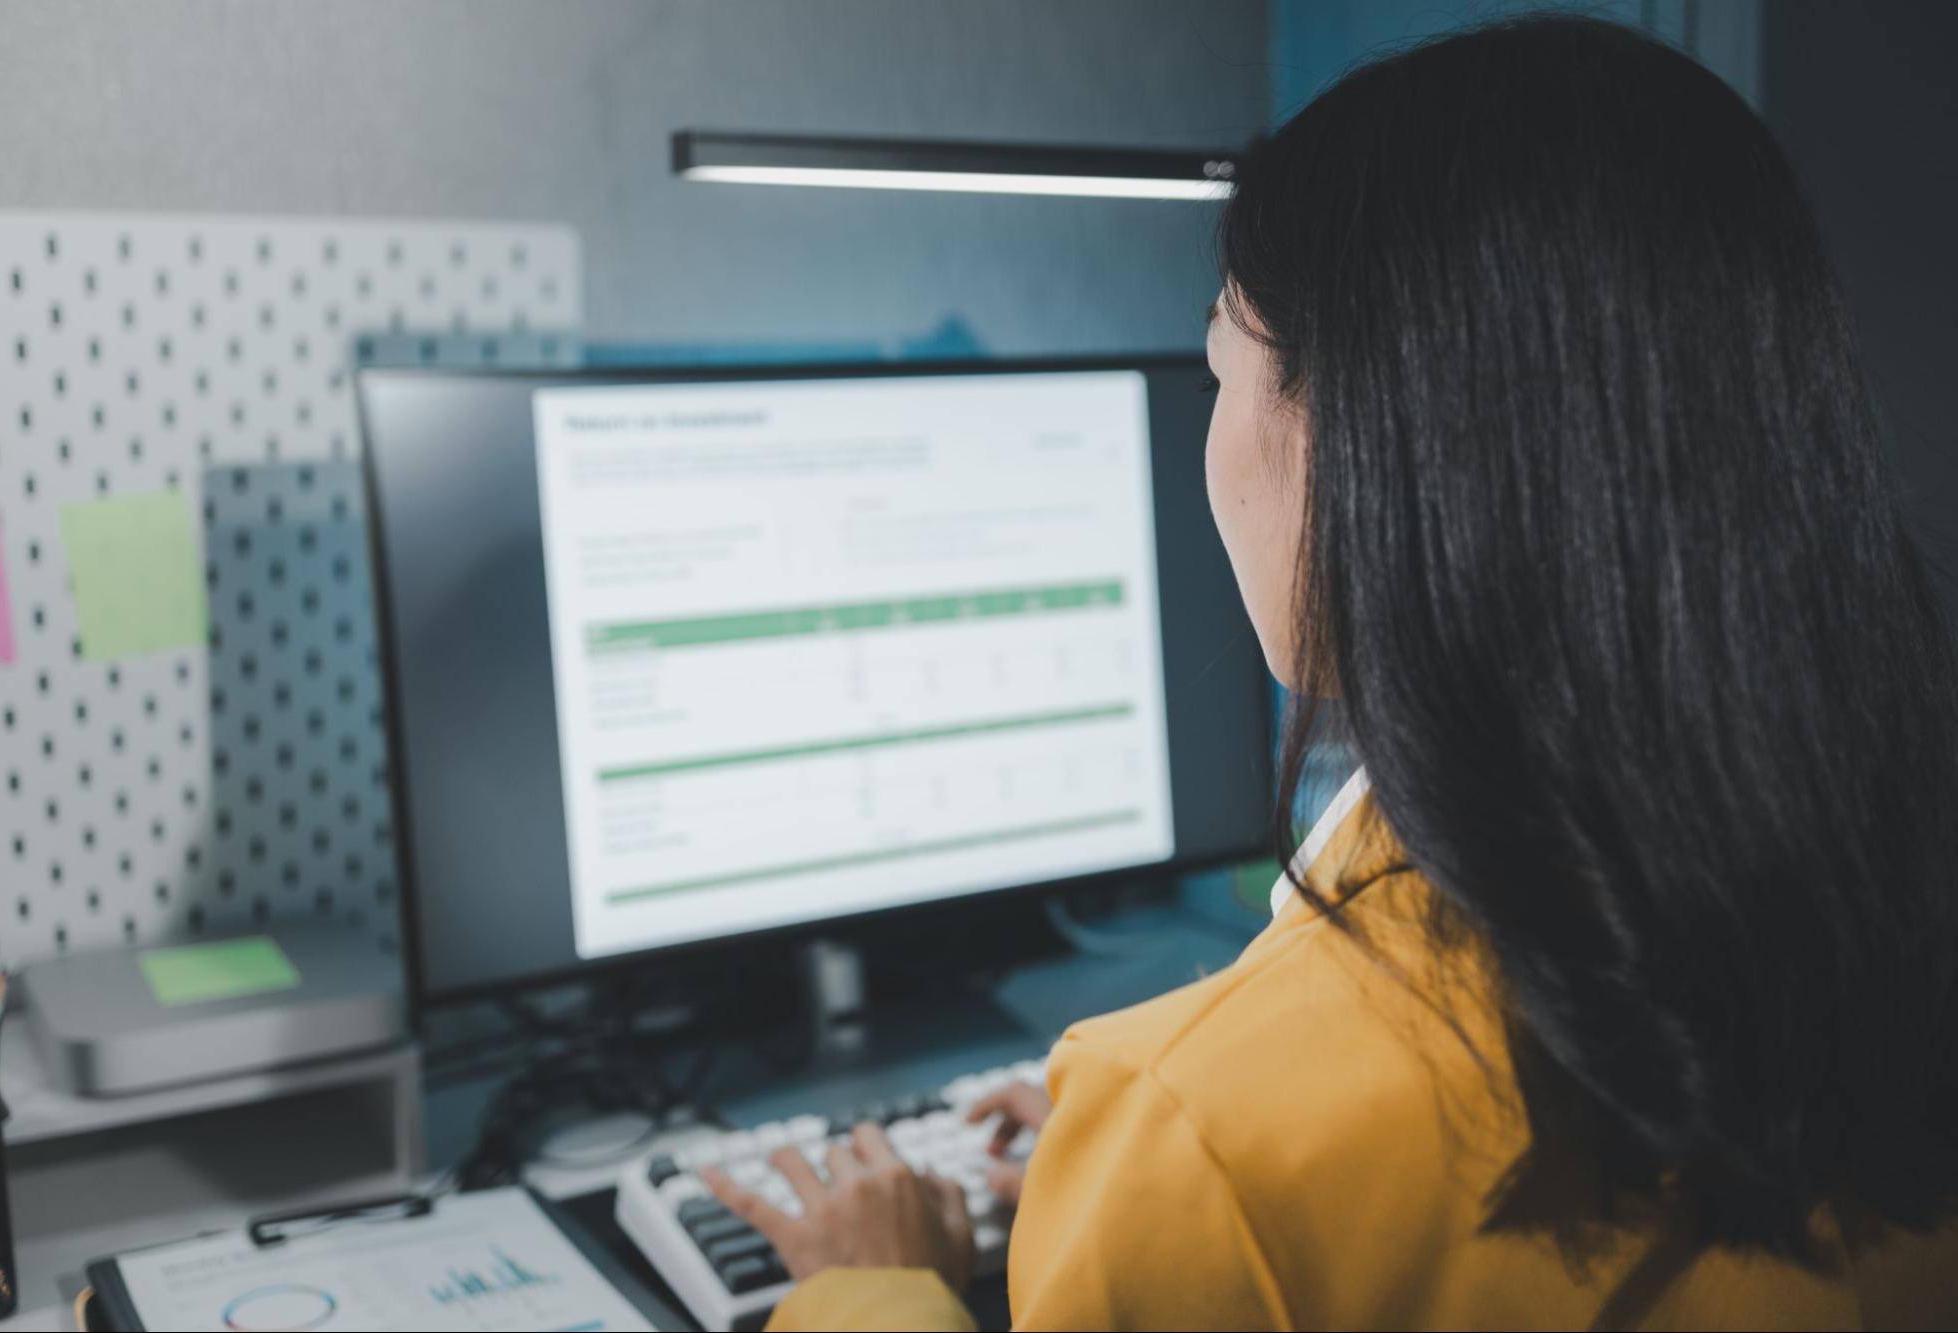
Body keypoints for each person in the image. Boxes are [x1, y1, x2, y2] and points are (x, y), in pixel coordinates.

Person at [704, 15, 1958, 1328]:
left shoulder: (1200, 1135)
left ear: (1360, 439)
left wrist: (875, 1284)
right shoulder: (1893, 916)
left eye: (1218, 372)